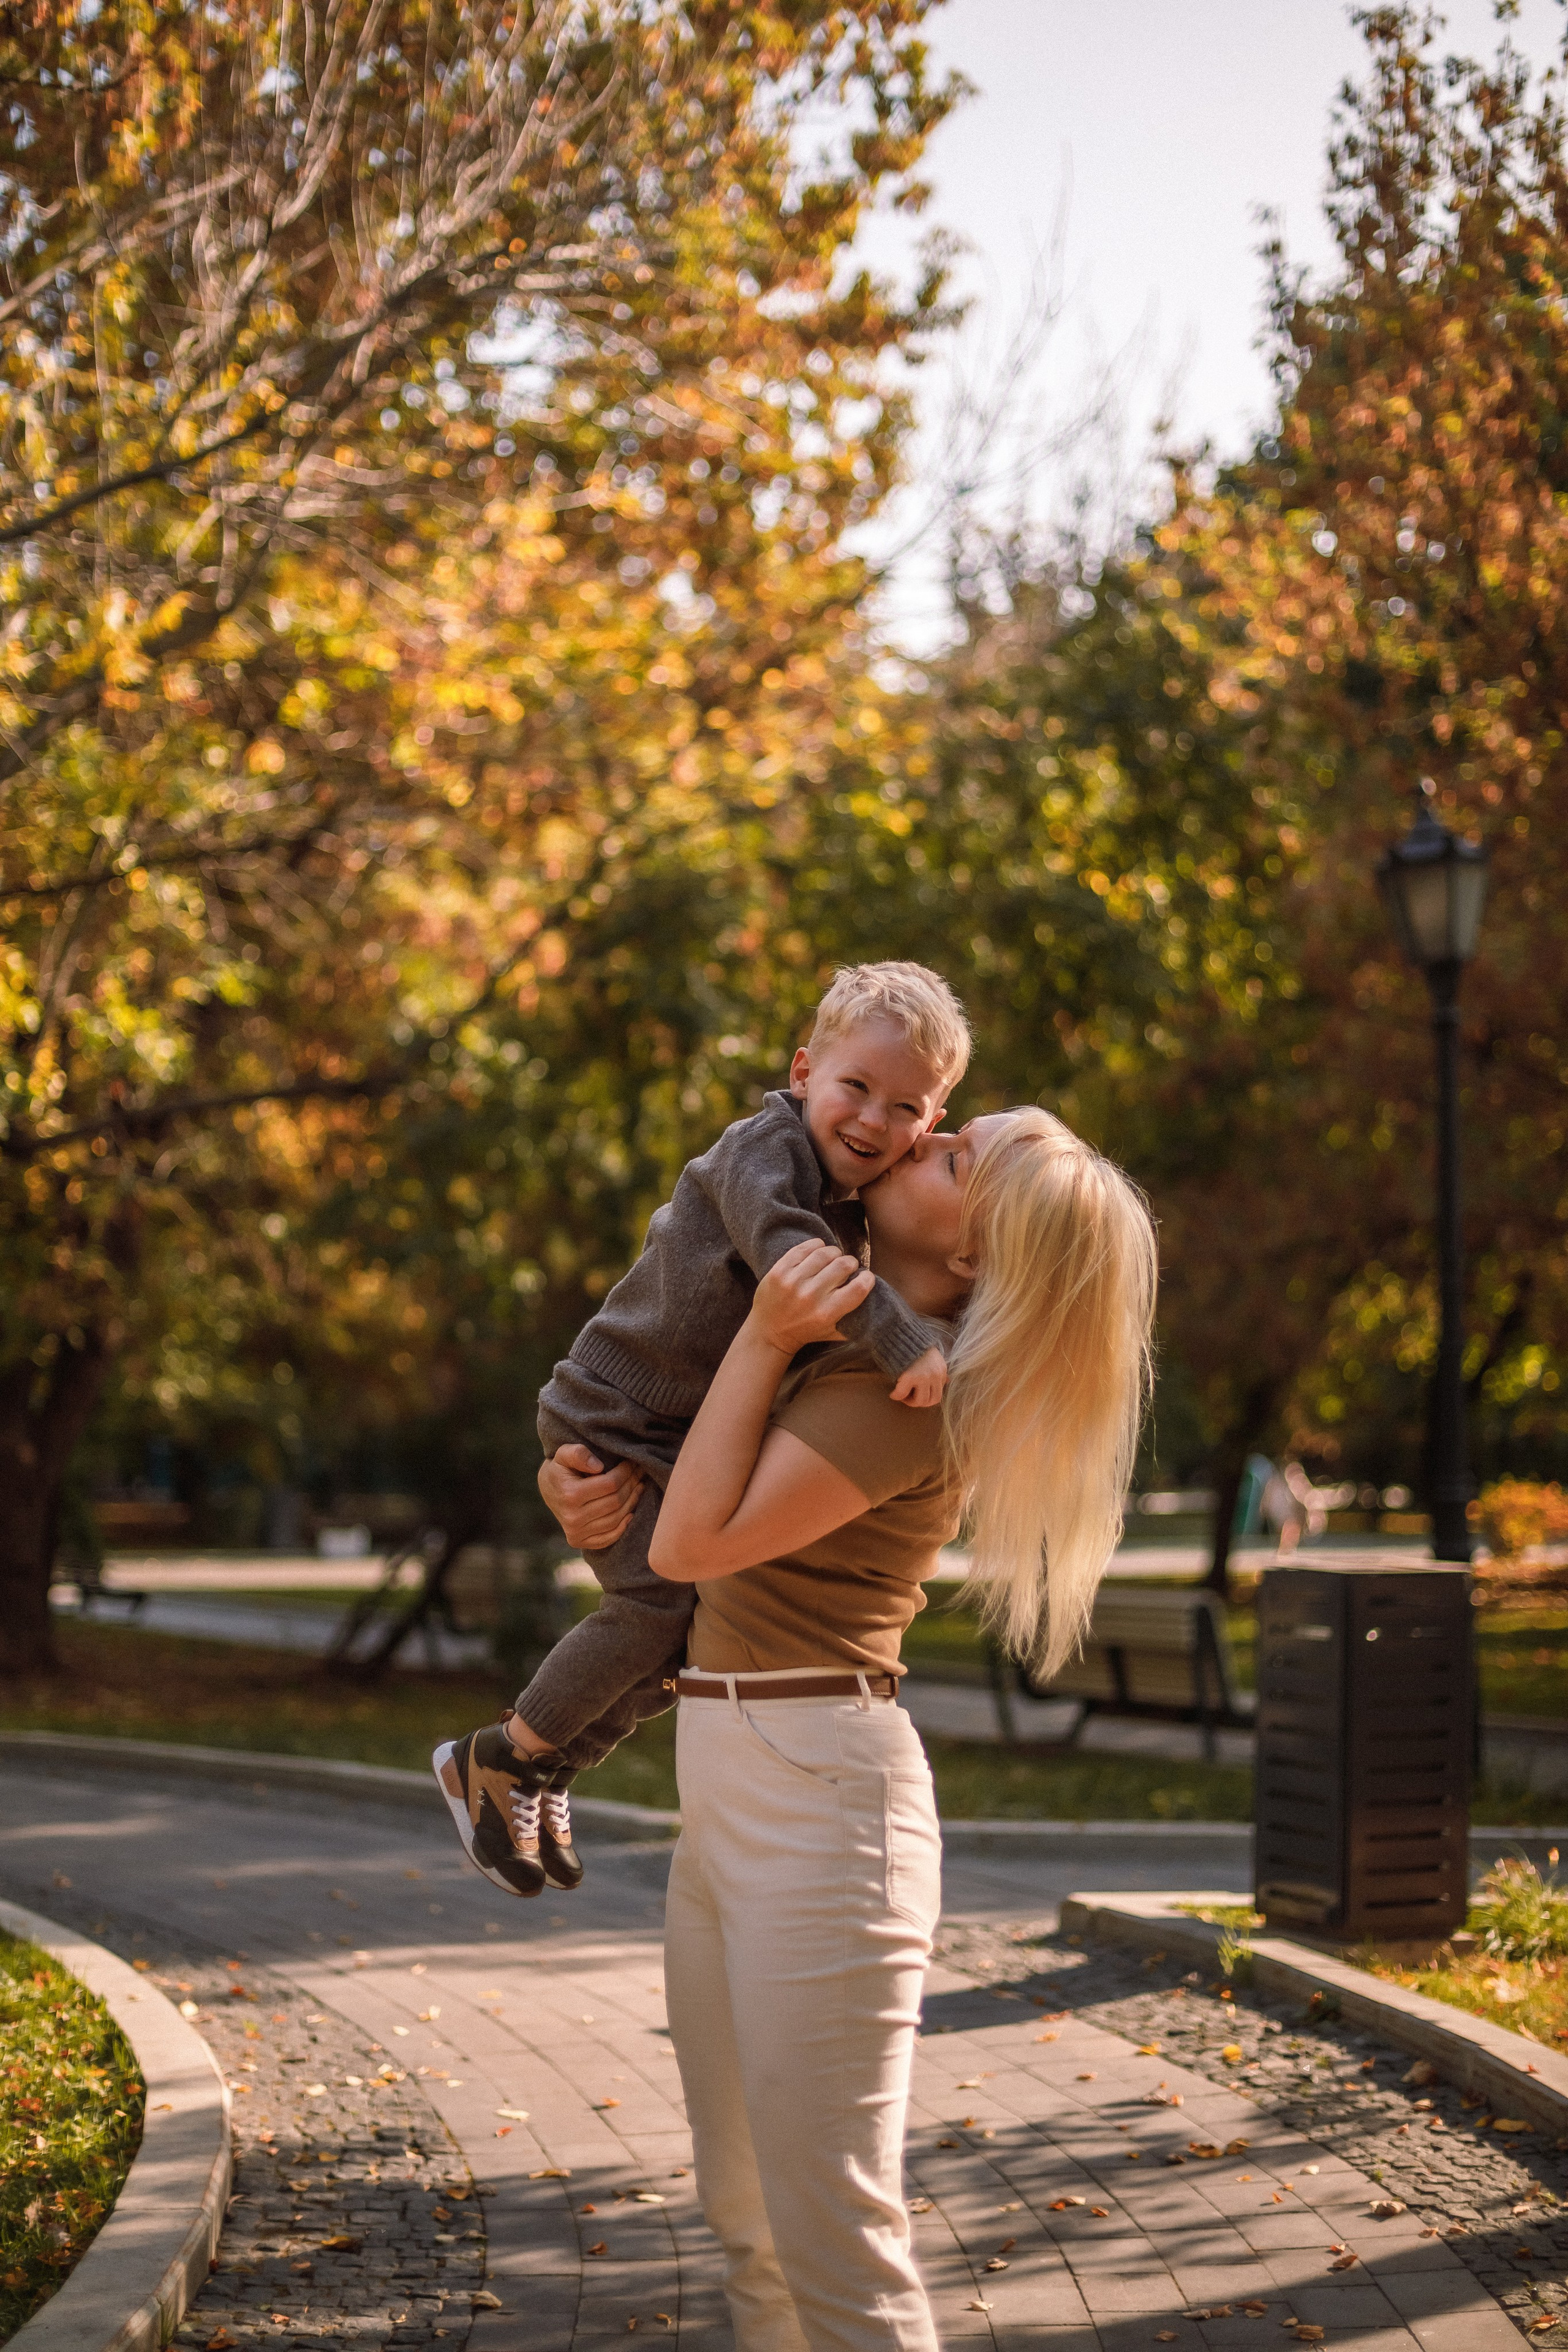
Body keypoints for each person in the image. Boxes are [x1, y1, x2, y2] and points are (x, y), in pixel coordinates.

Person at [541, 1107, 1157, 2352]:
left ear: (977, 1257)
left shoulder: (901, 1387)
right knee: (748, 2219)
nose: (910, 1135)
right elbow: (687, 1552)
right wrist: (583, 1486)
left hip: (822, 1809)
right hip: (730, 1783)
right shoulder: (842, 1337)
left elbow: (692, 1546)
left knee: (834, 2242)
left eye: (946, 1155)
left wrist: (767, 1330)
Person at [433, 962, 972, 1899]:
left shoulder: (858, 1205)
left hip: (667, 1433)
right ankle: (502, 1755)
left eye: (910, 1110)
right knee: (655, 1607)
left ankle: (544, 1765)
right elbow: (785, 1256)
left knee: (678, 1632)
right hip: (617, 1409)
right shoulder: (766, 1157)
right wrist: (900, 1338)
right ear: (804, 1071)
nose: (877, 1122)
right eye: (856, 1088)